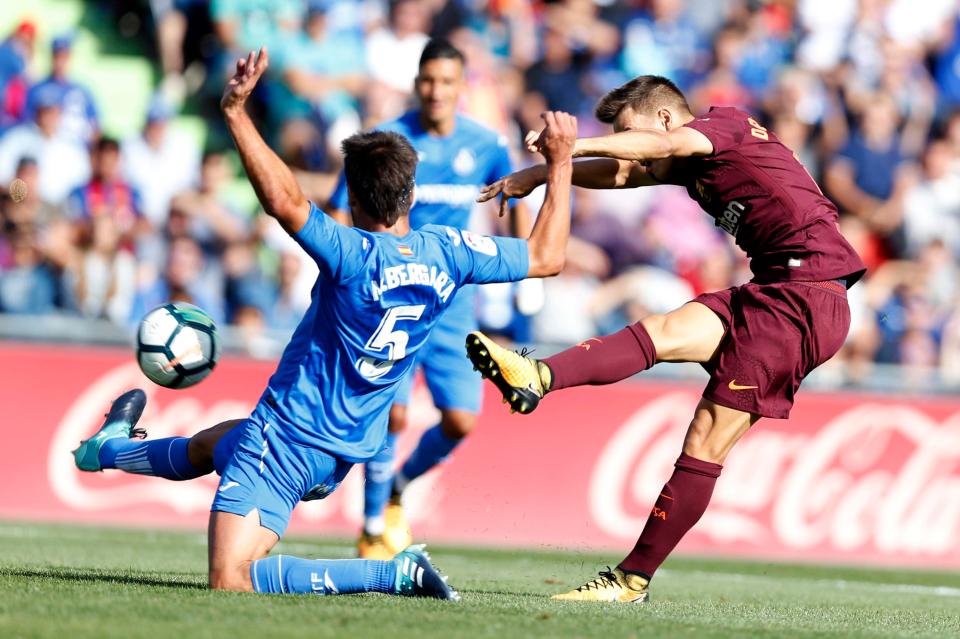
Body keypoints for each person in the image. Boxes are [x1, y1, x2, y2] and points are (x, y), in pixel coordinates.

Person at [71, 46, 578, 598]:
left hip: (286, 437)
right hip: (344, 451)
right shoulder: (451, 251)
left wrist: (237, 112)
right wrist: (561, 161)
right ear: (411, 193)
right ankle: (108, 449)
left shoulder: (351, 255)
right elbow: (547, 257)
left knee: (231, 579)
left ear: (355, 199)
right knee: (210, 447)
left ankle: (391, 572)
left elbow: (284, 200)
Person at [470, 75, 866, 603]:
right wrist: (545, 171)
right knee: (663, 330)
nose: (637, 150)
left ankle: (631, 580)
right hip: (776, 288)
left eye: (630, 131)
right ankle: (537, 375)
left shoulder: (720, 124)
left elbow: (652, 150)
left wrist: (574, 142)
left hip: (804, 298)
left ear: (663, 118)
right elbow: (624, 172)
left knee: (705, 439)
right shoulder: (692, 162)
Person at [327, 39, 531, 560]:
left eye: (445, 81)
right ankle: (372, 527)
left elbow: (515, 192)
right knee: (390, 416)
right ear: (416, 82)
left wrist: (527, 270)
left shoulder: (485, 144)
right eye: (427, 80)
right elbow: (338, 204)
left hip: (452, 301)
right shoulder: (390, 141)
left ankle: (399, 486)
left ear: (462, 88)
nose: (435, 90)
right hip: (391, 290)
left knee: (461, 419)